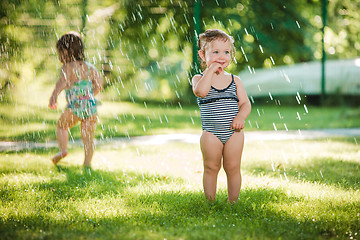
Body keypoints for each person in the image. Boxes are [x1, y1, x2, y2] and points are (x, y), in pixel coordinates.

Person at [192, 29, 251, 203]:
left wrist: (241, 117)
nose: (222, 56)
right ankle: (210, 202)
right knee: (211, 167)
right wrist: (210, 71)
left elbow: (245, 103)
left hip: (234, 133)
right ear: (203, 55)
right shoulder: (199, 78)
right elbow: (201, 92)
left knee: (233, 167)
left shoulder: (235, 80)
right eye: (215, 52)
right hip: (211, 133)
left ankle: (233, 202)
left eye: (226, 52)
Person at [49, 31, 102, 168]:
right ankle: (87, 163)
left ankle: (63, 150)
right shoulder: (91, 68)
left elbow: (60, 83)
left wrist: (54, 96)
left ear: (66, 51)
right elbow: (98, 87)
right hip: (90, 107)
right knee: (88, 137)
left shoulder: (67, 68)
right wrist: (88, 96)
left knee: (61, 126)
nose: (60, 56)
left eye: (60, 52)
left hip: (75, 107)